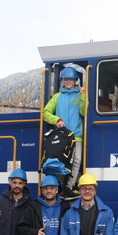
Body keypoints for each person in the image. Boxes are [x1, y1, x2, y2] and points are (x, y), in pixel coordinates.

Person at [43, 66, 85, 195]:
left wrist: (83, 96)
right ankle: (59, 187)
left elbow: (84, 112)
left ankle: (70, 186)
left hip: (76, 135)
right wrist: (57, 120)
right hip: (61, 136)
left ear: (75, 80)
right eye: (65, 79)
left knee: (76, 160)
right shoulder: (57, 97)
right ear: (62, 80)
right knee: (60, 161)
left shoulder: (80, 95)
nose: (68, 82)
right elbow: (45, 112)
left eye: (70, 79)